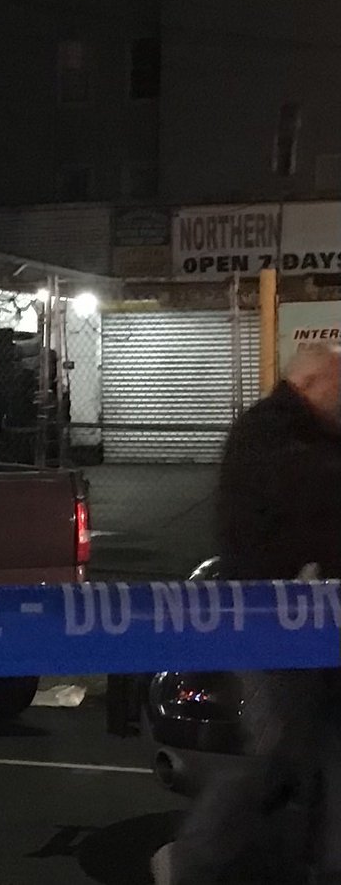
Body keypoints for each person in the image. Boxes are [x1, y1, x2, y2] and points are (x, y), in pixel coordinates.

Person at [152, 344, 341, 885]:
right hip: (272, 628)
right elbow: (315, 504)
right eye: (336, 384)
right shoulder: (274, 439)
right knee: (271, 756)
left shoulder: (306, 437)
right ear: (308, 384)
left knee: (312, 748)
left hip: (312, 625)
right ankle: (194, 860)